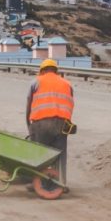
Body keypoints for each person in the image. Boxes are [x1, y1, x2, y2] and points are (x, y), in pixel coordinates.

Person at [26, 58, 75, 186]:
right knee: (60, 155)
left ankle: (37, 182)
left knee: (40, 153)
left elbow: (29, 104)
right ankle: (62, 183)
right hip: (62, 125)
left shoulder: (36, 81)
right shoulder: (67, 83)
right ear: (56, 71)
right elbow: (70, 104)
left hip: (41, 123)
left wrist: (29, 124)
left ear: (42, 71)